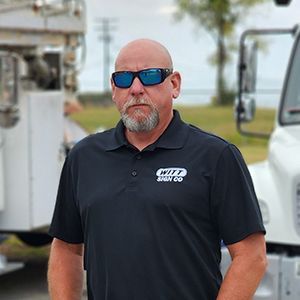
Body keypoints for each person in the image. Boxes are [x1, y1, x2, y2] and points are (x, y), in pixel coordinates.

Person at [48, 38, 267, 300]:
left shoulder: (216, 157)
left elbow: (251, 256)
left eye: (150, 76)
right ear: (113, 89)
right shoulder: (84, 157)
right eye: (124, 78)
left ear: (174, 84)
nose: (136, 88)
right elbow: (66, 249)